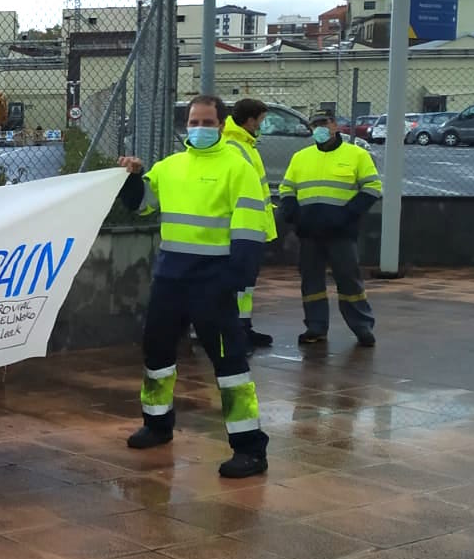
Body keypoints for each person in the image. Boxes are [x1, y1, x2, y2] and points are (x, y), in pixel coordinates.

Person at [116, 93, 272, 478]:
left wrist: (235, 279)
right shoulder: (169, 167)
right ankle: (157, 424)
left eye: (207, 122)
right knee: (157, 354)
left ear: (222, 125)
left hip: (213, 281)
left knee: (229, 364)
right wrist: (132, 177)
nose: (199, 128)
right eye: (193, 122)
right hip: (170, 278)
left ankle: (250, 447)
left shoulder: (237, 168)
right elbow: (142, 204)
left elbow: (249, 229)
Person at [278, 111, 381, 347]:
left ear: (335, 125)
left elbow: (372, 187)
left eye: (323, 123)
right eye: (314, 125)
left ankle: (362, 326)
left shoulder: (357, 155)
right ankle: (315, 327)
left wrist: (347, 214)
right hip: (309, 232)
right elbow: (287, 188)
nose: (318, 128)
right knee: (311, 282)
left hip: (341, 232)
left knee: (349, 280)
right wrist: (293, 214)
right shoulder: (300, 157)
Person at [220, 97, 279, 348]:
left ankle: (243, 328)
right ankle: (234, 332)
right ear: (249, 120)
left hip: (251, 226)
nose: (261, 126)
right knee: (237, 283)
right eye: (261, 120)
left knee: (245, 285)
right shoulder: (234, 146)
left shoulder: (245, 144)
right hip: (242, 228)